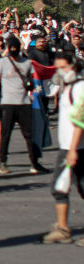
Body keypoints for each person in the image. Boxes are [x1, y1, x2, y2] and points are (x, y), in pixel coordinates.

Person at [41, 51, 84, 244]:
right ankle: (63, 228)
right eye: (58, 68)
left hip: (76, 148)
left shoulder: (80, 88)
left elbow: (80, 122)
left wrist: (73, 149)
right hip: (67, 147)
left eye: (64, 68)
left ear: (74, 66)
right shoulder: (66, 88)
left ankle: (63, 228)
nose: (61, 71)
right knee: (60, 187)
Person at [0, 36, 47, 175]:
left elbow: (32, 81)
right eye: (12, 49)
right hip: (8, 103)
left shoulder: (27, 63)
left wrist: (33, 93)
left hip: (24, 103)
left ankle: (34, 162)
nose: (14, 52)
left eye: (16, 49)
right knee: (6, 134)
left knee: (29, 135)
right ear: (9, 49)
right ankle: (2, 162)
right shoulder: (2, 62)